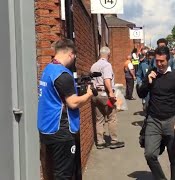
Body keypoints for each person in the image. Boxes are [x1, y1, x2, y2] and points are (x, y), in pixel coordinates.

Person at [37, 39, 93, 179]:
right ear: (70, 54)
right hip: (61, 130)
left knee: (52, 171)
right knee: (63, 174)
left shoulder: (48, 69)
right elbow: (73, 103)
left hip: (47, 128)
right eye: (74, 56)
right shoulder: (63, 74)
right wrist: (88, 95)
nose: (74, 59)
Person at [137, 46, 175, 180]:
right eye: (157, 61)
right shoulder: (151, 72)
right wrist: (148, 82)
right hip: (153, 120)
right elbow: (141, 93)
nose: (159, 64)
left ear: (168, 60)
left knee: (173, 156)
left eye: (162, 61)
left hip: (171, 120)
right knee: (149, 154)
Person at [90, 46, 125, 149]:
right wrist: (111, 92)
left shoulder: (93, 66)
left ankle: (100, 142)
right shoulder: (107, 65)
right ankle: (114, 141)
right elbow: (107, 80)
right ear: (108, 55)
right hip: (105, 94)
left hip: (95, 95)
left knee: (99, 119)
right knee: (112, 117)